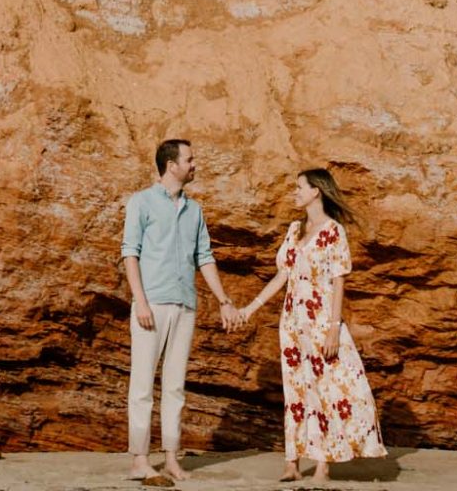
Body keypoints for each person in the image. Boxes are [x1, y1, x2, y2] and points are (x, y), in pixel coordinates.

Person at [237, 168, 386, 483]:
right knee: (295, 389)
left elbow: (338, 281)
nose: (295, 192)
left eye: (299, 187)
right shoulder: (294, 230)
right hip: (292, 324)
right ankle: (292, 461)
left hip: (321, 323)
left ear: (316, 190)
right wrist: (250, 308)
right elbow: (282, 277)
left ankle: (322, 463)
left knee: (326, 390)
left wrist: (334, 327)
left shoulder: (334, 231)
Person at [122, 138, 242, 485]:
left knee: (175, 386)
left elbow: (204, 257)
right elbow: (130, 252)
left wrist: (223, 300)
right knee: (142, 385)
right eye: (190, 160)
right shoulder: (141, 202)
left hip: (184, 303)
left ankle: (171, 458)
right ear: (171, 165)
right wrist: (140, 301)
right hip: (152, 304)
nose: (194, 165)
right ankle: (140, 460)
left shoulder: (195, 209)